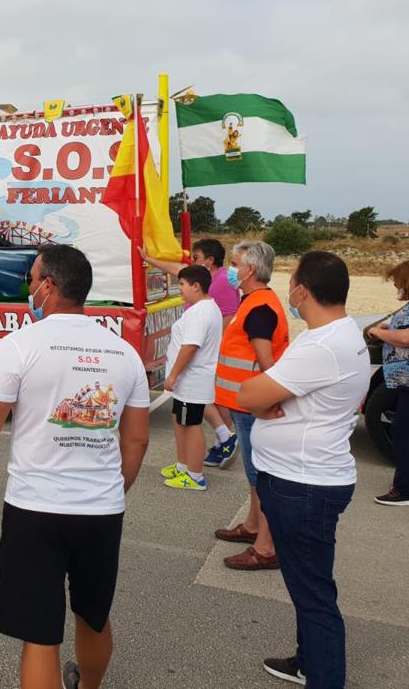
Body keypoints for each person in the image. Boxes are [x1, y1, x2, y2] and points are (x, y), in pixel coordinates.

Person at [0, 245, 149, 689]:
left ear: (49, 286)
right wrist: (113, 491)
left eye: (31, 280)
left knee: (40, 636)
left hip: (35, 507)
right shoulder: (124, 353)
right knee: (93, 616)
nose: (29, 288)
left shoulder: (20, 345)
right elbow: (137, 438)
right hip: (101, 510)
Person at [237, 251, 371, 689]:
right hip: (310, 477)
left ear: (302, 290)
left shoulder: (320, 345)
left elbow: (251, 394)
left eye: (292, 281)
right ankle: (309, 660)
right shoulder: (341, 332)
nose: (289, 288)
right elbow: (271, 390)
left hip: (304, 484)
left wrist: (264, 396)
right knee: (309, 582)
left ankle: (323, 673)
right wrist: (271, 394)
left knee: (314, 596)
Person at [213, 240, 289, 571]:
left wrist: (266, 402)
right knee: (255, 475)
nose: (232, 270)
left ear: (251, 269)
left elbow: (267, 363)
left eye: (235, 263)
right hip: (244, 404)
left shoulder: (258, 307)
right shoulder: (254, 301)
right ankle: (253, 525)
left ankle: (265, 546)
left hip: (251, 406)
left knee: (260, 475)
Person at [143, 237, 241, 468]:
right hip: (193, 371)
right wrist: (149, 258)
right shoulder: (202, 292)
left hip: (197, 369)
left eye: (195, 258)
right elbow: (179, 270)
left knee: (196, 417)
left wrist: (175, 374)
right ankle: (190, 461)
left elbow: (196, 343)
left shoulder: (220, 287)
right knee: (187, 418)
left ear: (209, 261)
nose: (181, 289)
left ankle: (203, 462)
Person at [160, 265, 223, 491]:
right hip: (188, 381)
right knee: (180, 421)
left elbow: (190, 347)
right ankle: (183, 465)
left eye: (183, 285)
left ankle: (195, 476)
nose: (180, 290)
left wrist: (174, 375)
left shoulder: (200, 312)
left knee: (191, 425)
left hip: (191, 380)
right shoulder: (204, 307)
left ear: (196, 286)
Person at [369, 260, 409, 505]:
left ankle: (406, 490)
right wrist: (390, 326)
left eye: (397, 281)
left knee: (406, 434)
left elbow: (408, 337)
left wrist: (380, 333)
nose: (396, 286)